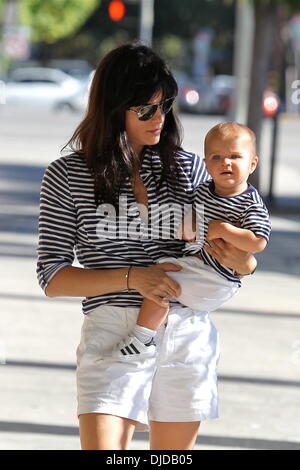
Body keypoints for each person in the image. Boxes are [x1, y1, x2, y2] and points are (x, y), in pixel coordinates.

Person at [36, 42, 257, 450]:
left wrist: (245, 263)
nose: (160, 118)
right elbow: (52, 277)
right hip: (112, 332)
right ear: (113, 107)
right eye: (145, 109)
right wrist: (133, 277)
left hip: (186, 332)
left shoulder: (192, 169)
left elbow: (241, 244)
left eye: (165, 105)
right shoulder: (67, 175)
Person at [113, 122, 271, 358]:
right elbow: (191, 220)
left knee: (160, 283)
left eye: (235, 156)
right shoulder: (203, 191)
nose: (225, 163)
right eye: (216, 157)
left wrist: (223, 230)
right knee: (160, 277)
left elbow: (258, 242)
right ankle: (147, 336)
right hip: (200, 266)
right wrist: (189, 227)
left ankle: (141, 339)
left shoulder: (250, 202)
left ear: (252, 163)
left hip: (219, 278)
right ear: (206, 164)